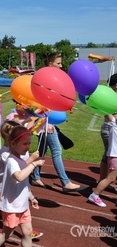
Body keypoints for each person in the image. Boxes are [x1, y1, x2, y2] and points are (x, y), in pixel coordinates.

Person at [30, 53, 86, 193]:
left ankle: (35, 176)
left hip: (48, 121)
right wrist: (45, 122)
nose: (61, 66)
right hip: (45, 122)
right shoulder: (43, 79)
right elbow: (38, 101)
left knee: (42, 150)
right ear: (50, 63)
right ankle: (65, 182)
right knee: (56, 150)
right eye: (58, 63)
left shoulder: (53, 79)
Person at [0, 126, 44, 247]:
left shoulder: (21, 160)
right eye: (25, 143)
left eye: (29, 143)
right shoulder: (11, 161)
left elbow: (24, 184)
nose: (28, 147)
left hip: (23, 205)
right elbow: (19, 176)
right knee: (6, 234)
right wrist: (34, 163)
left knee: (27, 232)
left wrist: (32, 197)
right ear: (13, 143)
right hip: (12, 206)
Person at [88, 113, 117, 207]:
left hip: (114, 156)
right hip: (115, 157)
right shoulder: (113, 124)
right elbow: (107, 114)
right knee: (111, 178)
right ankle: (95, 194)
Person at [99, 73, 117, 184]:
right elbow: (107, 114)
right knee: (109, 155)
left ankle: (104, 181)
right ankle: (105, 181)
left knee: (107, 155)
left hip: (112, 130)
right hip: (109, 130)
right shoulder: (110, 96)